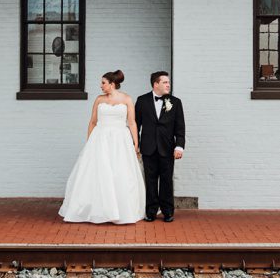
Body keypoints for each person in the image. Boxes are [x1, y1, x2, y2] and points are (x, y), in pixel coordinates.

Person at [58, 70, 146, 224]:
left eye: (103, 83)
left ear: (112, 84)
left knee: (120, 173)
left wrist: (136, 143)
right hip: (100, 138)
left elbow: (132, 122)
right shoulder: (99, 100)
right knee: (99, 173)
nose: (101, 86)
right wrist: (89, 142)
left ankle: (122, 210)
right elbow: (92, 121)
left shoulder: (127, 99)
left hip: (120, 140)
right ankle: (99, 210)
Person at [134, 71, 185, 222]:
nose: (168, 85)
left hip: (167, 148)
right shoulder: (142, 101)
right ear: (155, 84)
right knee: (149, 181)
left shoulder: (175, 102)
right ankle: (150, 211)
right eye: (165, 82)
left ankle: (168, 212)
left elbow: (180, 127)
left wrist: (179, 147)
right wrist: (135, 145)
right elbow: (136, 125)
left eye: (168, 82)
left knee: (166, 180)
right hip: (148, 148)